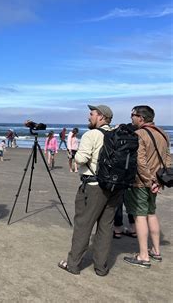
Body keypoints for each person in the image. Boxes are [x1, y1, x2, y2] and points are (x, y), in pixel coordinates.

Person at [58, 104, 123, 276]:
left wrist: (73, 155)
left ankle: (72, 264)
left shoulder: (92, 134)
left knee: (83, 225)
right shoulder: (117, 134)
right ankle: (101, 267)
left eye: (92, 113)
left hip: (94, 186)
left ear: (101, 117)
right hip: (115, 187)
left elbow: (81, 158)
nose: (88, 116)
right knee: (106, 227)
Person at [124, 105, 171, 268]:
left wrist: (150, 180)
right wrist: (159, 181)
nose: (131, 118)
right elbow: (168, 160)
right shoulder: (163, 133)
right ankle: (156, 251)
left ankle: (143, 256)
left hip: (140, 183)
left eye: (133, 115)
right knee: (151, 213)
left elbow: (140, 162)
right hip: (156, 183)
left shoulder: (139, 134)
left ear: (141, 118)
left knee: (140, 216)